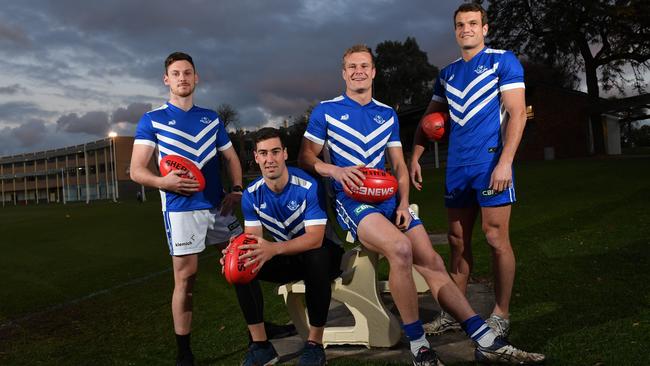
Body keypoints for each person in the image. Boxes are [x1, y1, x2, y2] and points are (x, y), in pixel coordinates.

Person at [299, 44, 544, 365]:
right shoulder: (326, 111)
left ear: (373, 72)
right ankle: (420, 348)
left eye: (364, 66)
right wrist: (334, 171)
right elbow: (305, 156)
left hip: (388, 200)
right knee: (401, 250)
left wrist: (403, 203)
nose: (358, 71)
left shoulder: (386, 114)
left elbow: (399, 167)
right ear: (344, 73)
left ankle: (486, 341)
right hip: (352, 202)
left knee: (432, 263)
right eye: (351, 67)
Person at [410, 3, 527, 340]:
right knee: (457, 241)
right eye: (460, 25)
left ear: (485, 28)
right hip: (457, 167)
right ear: (455, 30)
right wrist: (416, 156)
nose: (466, 30)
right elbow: (428, 120)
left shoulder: (502, 60)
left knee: (495, 238)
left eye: (473, 23)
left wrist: (505, 162)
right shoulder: (446, 74)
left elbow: (517, 115)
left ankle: (501, 313)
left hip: (490, 164)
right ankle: (452, 312)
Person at [129, 52, 244, 366]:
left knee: (243, 266)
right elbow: (136, 170)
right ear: (167, 79)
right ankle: (184, 353)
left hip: (219, 207)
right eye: (176, 73)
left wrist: (236, 189)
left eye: (188, 73)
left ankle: (258, 331)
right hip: (181, 209)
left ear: (197, 78)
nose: (182, 78)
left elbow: (231, 159)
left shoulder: (211, 118)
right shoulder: (152, 120)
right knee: (187, 279)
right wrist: (164, 182)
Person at [223, 127, 343, 366]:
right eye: (264, 153)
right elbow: (252, 240)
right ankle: (261, 346)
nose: (270, 159)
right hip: (288, 255)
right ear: (255, 157)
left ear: (285, 154)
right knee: (240, 264)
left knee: (316, 256)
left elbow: (315, 239)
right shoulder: (251, 195)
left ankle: (315, 346)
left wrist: (273, 249)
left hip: (325, 255)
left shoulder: (308, 185)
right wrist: (237, 251)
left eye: (275, 152)